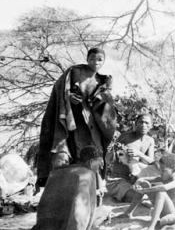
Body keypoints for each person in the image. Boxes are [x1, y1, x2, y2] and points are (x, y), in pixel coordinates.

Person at [36, 47, 117, 189]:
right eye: (92, 58)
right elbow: (60, 89)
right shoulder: (74, 72)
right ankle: (62, 193)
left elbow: (107, 108)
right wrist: (68, 98)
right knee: (64, 157)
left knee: (92, 158)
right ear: (87, 59)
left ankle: (93, 193)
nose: (95, 62)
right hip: (71, 125)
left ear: (103, 61)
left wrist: (98, 101)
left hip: (91, 128)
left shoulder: (102, 81)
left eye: (99, 60)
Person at [20, 145, 106, 230]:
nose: (101, 166)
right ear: (91, 162)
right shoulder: (87, 174)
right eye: (99, 162)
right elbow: (81, 212)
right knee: (104, 213)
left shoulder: (59, 171)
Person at [113, 152, 175, 230]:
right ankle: (128, 213)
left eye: (163, 171)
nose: (160, 172)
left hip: (174, 214)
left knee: (161, 192)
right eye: (160, 169)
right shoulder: (163, 177)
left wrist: (145, 190)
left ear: (174, 170)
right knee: (144, 183)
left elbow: (164, 188)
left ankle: (151, 228)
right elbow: (143, 179)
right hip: (164, 213)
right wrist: (138, 182)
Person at [106, 113, 156, 202]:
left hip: (138, 179)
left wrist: (139, 154)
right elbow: (109, 157)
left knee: (157, 174)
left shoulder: (150, 141)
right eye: (141, 122)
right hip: (119, 179)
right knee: (135, 197)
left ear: (151, 126)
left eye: (147, 123)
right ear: (136, 124)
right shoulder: (125, 137)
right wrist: (119, 154)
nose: (143, 125)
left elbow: (151, 163)